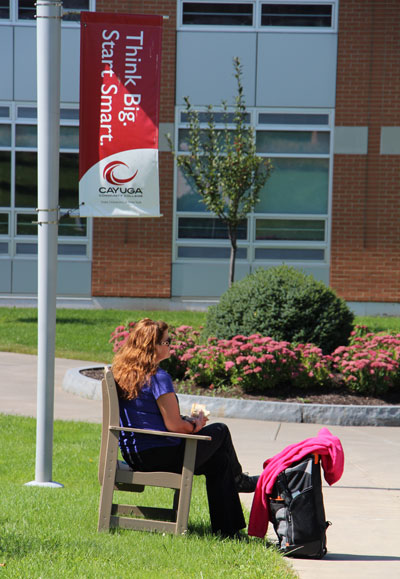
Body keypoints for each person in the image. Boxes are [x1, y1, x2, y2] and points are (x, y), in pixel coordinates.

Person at [112, 317, 259, 538]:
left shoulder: (126, 373)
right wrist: (196, 424)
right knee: (220, 430)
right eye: (167, 341)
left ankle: (229, 532)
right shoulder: (159, 377)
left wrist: (187, 423)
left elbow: (153, 416)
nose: (171, 344)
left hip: (137, 454)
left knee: (219, 462)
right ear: (154, 346)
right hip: (159, 455)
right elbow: (173, 426)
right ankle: (240, 481)